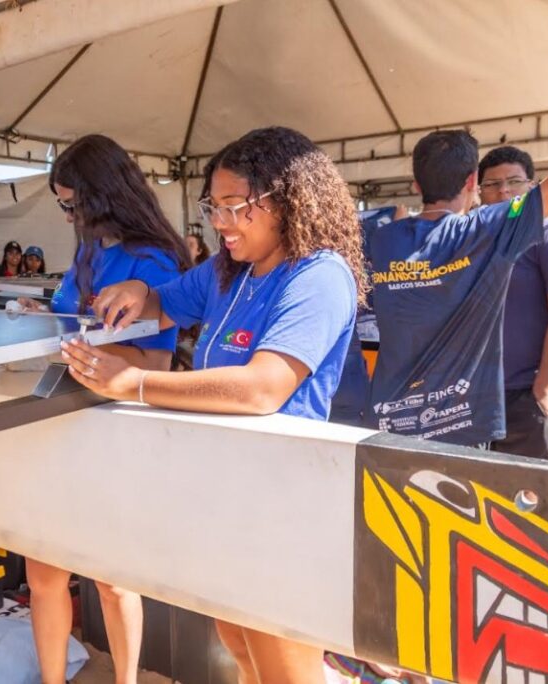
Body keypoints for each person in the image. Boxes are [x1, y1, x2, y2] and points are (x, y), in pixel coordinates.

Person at [67, 127, 365, 684]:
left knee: (285, 668)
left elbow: (262, 387)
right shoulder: (229, 269)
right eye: (214, 207)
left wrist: (135, 383)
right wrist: (139, 291)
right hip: (226, 495)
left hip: (282, 506)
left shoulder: (319, 276)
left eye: (235, 206)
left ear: (286, 201)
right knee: (240, 648)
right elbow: (165, 303)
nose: (220, 223)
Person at [366, 41, 548, 448]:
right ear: (472, 182)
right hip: (458, 426)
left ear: (415, 185)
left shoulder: (381, 239)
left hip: (389, 423)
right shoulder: (488, 228)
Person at [18, 134, 190, 684]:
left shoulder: (153, 261)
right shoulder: (89, 251)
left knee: (113, 582)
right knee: (44, 575)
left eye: (73, 204)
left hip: (113, 433)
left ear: (103, 194)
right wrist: (43, 317)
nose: (70, 215)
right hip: (55, 424)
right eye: (63, 205)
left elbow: (155, 364)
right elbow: (73, 317)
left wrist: (85, 351)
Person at [476, 146, 548, 459]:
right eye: (492, 184)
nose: (503, 191)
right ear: (479, 191)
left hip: (528, 392)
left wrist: (544, 387)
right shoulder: (477, 239)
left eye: (514, 181)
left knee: (519, 485)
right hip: (479, 391)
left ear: (532, 186)